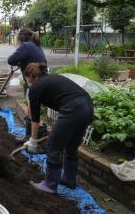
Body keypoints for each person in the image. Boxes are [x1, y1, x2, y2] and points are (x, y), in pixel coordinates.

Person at [23, 63, 94, 194]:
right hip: (88, 106)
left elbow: (35, 118)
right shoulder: (52, 78)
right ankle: (69, 179)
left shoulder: (36, 87)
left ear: (32, 76)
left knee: (52, 146)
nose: (27, 81)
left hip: (73, 108)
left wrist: (33, 140)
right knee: (71, 146)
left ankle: (50, 185)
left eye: (27, 78)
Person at [7, 28, 47, 140]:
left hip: (35, 82)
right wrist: (22, 61)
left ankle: (34, 138)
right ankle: (31, 136)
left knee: (33, 110)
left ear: (21, 38)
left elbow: (11, 60)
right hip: (42, 80)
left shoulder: (26, 46)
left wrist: (19, 61)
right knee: (32, 109)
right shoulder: (35, 45)